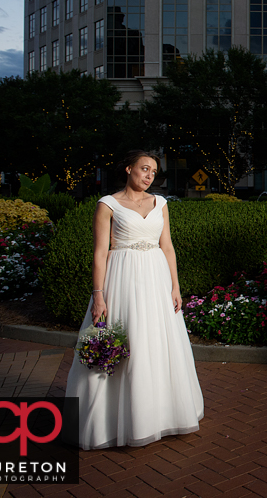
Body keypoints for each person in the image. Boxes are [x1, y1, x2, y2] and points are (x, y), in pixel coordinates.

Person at [65, 150, 204, 449]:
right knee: (124, 342)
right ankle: (111, 420)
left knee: (157, 344)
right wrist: (98, 296)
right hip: (122, 280)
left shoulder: (161, 203)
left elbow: (167, 247)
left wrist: (176, 286)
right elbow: (100, 253)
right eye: (144, 169)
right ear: (129, 169)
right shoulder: (108, 205)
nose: (149, 175)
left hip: (156, 280)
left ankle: (159, 416)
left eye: (153, 171)